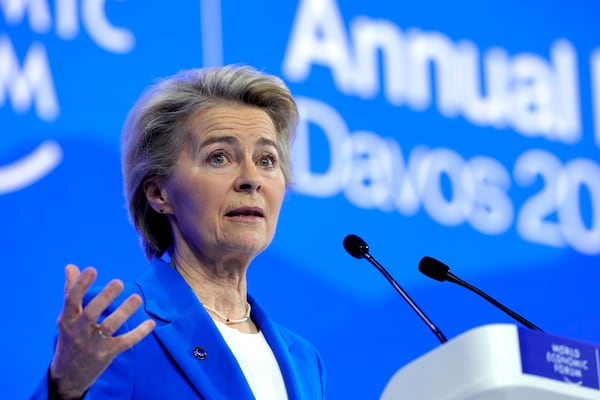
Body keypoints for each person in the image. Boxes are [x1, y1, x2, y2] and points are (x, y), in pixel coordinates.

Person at [30, 65, 326, 399]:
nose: (251, 178)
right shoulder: (119, 324)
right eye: (219, 157)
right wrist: (64, 390)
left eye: (267, 160)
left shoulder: (304, 360)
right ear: (159, 194)